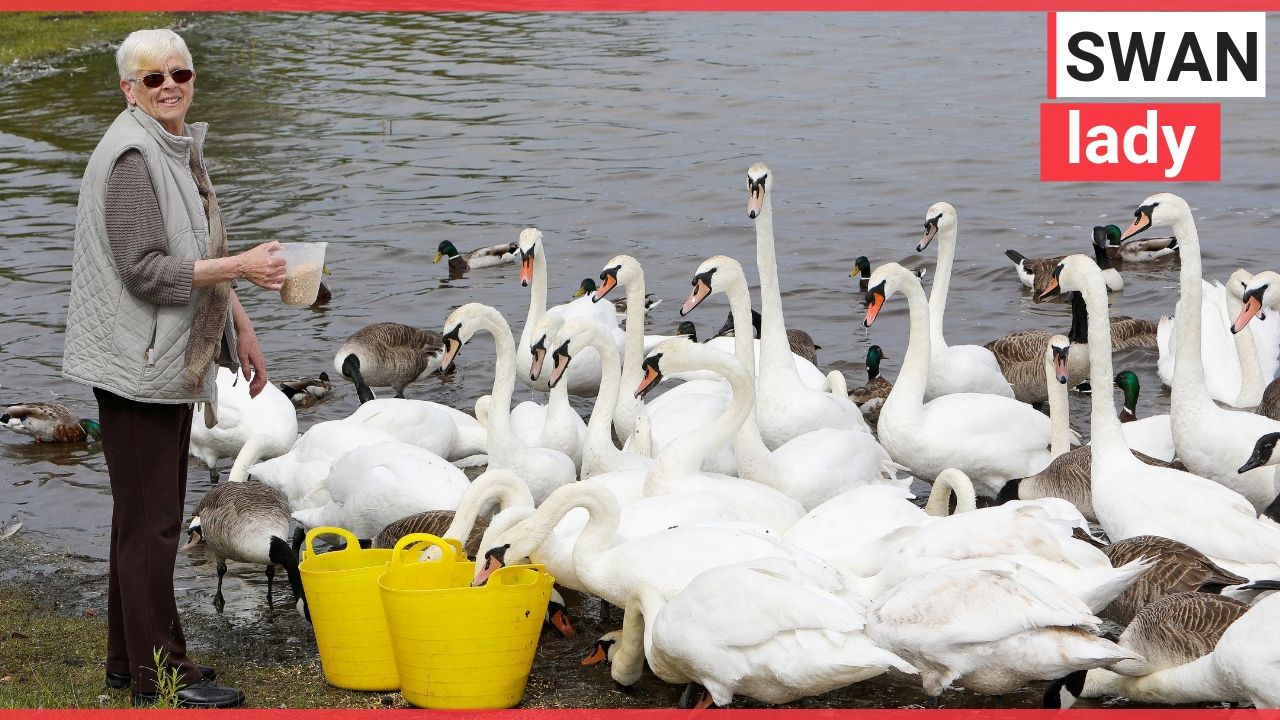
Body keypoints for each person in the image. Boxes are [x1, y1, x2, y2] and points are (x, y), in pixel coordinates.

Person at [61, 28, 286, 709]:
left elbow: (199, 246)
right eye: (151, 77)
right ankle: (165, 673)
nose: (168, 85)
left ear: (192, 78)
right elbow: (146, 271)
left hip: (158, 354)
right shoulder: (133, 156)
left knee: (138, 520)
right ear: (128, 88)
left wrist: (240, 327)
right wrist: (243, 266)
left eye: (179, 74)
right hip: (137, 363)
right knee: (155, 523)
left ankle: (128, 664)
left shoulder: (176, 146)